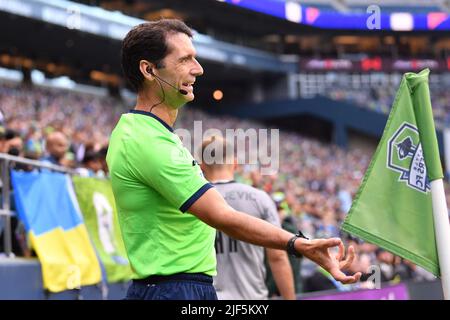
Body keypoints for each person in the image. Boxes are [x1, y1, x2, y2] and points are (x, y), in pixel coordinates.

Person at [106, 19, 361, 300]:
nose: (198, 68)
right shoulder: (147, 141)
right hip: (175, 290)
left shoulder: (142, 133)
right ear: (149, 69)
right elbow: (222, 215)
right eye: (185, 59)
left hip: (174, 286)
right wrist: (299, 245)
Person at [199, 136, 296, 300]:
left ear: (201, 167)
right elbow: (278, 256)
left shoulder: (194, 202)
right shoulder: (260, 198)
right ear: (235, 164)